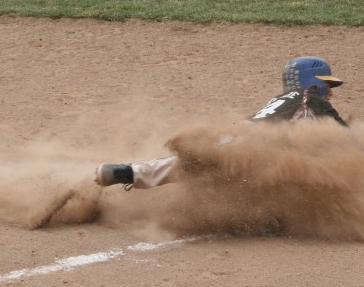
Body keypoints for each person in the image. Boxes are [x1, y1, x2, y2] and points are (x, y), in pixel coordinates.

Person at [95, 56, 346, 189]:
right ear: (312, 82)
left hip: (235, 137)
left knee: (194, 166)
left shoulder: (280, 100)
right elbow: (348, 140)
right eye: (327, 83)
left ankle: (125, 172)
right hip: (256, 147)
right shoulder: (311, 99)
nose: (330, 91)